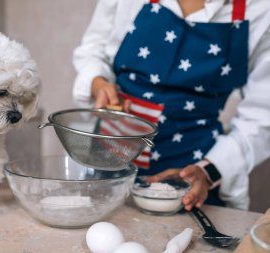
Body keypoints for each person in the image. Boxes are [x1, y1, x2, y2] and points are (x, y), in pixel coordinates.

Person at [72, 0, 270, 211]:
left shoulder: (261, 9)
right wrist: (97, 81)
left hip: (191, 179)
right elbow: (95, 49)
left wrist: (208, 171)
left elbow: (261, 118)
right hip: (109, 161)